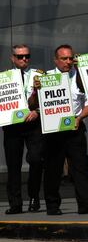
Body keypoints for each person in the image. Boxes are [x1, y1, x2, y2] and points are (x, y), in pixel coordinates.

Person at [39, 45, 88, 215]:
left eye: (70, 58)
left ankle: (85, 205)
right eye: (64, 58)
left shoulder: (80, 77)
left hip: (75, 127)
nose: (68, 62)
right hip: (54, 130)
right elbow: (34, 105)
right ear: (56, 60)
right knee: (53, 169)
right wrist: (36, 91)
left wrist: (79, 118)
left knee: (80, 168)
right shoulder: (45, 78)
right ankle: (52, 206)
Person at [3, 45, 44, 214]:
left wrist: (37, 111)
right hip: (13, 126)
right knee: (13, 165)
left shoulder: (39, 74)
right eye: (20, 57)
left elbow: (49, 98)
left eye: (27, 56)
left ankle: (34, 197)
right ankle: (15, 203)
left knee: (36, 159)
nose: (24, 59)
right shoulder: (4, 78)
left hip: (33, 124)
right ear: (12, 58)